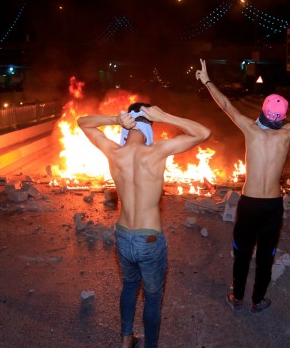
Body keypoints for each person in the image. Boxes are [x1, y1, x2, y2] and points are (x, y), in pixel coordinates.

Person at [195, 59, 290, 315]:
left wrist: (206, 80)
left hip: (249, 203)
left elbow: (226, 105)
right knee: (266, 256)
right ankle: (257, 301)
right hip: (272, 206)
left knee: (242, 253)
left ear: (263, 112)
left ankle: (237, 297)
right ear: (282, 118)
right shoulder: (287, 133)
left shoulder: (251, 130)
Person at [77, 103, 211, 348]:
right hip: (149, 239)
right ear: (150, 128)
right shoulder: (158, 151)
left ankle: (126, 340)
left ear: (127, 128)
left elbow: (82, 122)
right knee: (152, 298)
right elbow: (203, 133)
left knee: (129, 287)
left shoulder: (113, 152)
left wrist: (115, 120)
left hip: (124, 235)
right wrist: (166, 115)